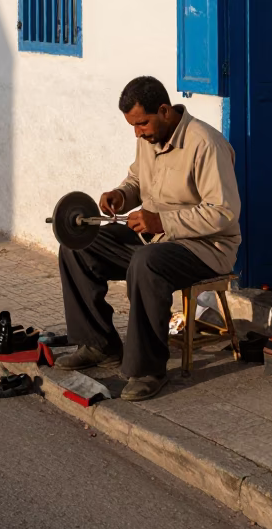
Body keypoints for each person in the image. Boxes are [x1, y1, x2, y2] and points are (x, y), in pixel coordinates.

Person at [55, 75, 241, 401]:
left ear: (165, 111)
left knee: (146, 263)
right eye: (133, 126)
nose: (137, 132)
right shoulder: (148, 137)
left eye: (141, 123)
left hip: (204, 247)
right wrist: (120, 196)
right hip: (155, 240)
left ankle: (148, 369)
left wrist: (162, 220)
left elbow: (224, 212)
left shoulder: (206, 144)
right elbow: (137, 181)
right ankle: (99, 344)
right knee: (78, 244)